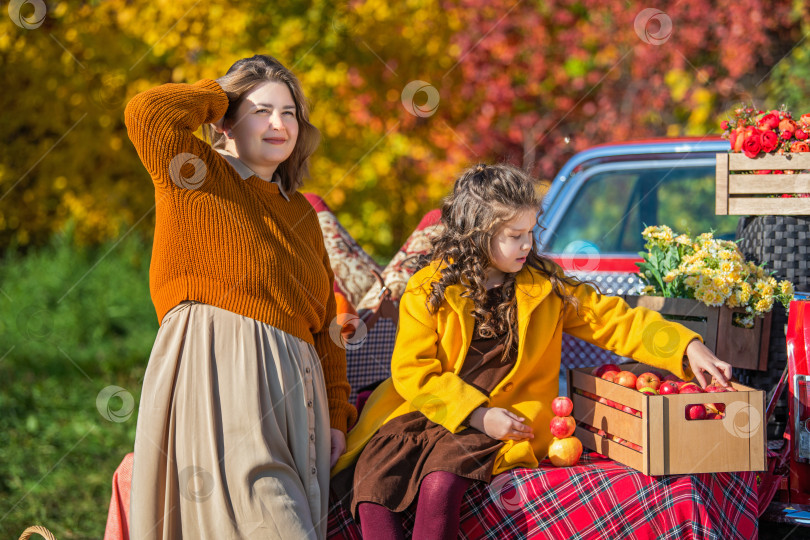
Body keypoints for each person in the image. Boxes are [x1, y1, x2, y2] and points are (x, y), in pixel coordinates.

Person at [330, 163, 732, 539]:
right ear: (477, 233)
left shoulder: (546, 285)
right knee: (373, 484)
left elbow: (614, 320)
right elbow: (413, 372)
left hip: (507, 419)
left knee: (440, 483)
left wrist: (687, 345)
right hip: (428, 410)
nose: (527, 244)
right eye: (514, 235)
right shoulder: (426, 289)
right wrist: (476, 413)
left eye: (530, 231)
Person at [124, 54, 356, 539]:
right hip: (220, 377)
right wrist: (222, 96)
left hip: (298, 399)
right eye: (261, 110)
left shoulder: (303, 217)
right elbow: (148, 113)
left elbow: (326, 325)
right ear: (228, 121)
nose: (279, 123)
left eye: (289, 112)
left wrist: (336, 414)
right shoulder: (194, 174)